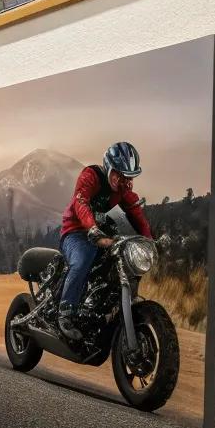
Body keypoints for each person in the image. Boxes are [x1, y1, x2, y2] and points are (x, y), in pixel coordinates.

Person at [57, 142, 152, 341]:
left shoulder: (122, 190)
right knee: (84, 258)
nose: (125, 181)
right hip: (75, 232)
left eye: (129, 176)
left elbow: (135, 213)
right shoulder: (90, 176)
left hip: (100, 235)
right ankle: (65, 312)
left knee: (124, 262)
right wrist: (92, 228)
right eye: (121, 175)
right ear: (109, 168)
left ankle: (109, 311)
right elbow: (80, 202)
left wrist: (149, 240)